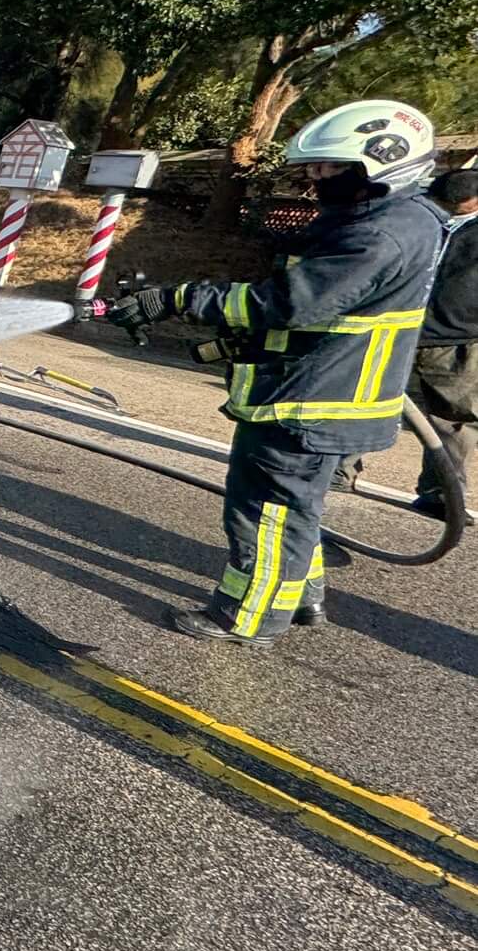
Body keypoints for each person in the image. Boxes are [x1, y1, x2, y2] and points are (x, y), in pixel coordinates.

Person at [109, 100, 446, 646]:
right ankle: (302, 598)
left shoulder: (377, 235)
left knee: (265, 514)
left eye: (328, 168)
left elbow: (288, 304)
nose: (315, 178)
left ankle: (247, 616)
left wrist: (181, 297)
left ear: (381, 162)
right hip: (331, 392)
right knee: (294, 510)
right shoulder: (401, 219)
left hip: (312, 400)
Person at [411, 167, 478, 518]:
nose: (450, 206)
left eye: (460, 201)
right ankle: (337, 472)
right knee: (363, 402)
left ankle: (441, 493)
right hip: (398, 328)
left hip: (459, 337)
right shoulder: (420, 220)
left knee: (453, 420)